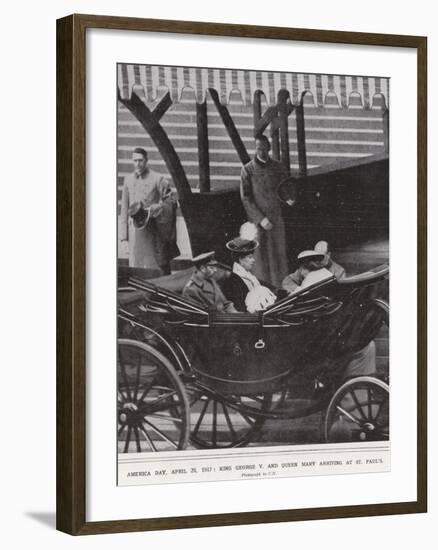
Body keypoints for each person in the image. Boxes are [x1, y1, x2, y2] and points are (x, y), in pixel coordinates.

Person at [119, 147, 179, 274]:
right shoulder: (128, 180)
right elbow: (124, 209)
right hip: (134, 232)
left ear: (146, 160)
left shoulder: (158, 179)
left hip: (152, 230)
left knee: (153, 266)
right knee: (136, 266)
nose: (137, 164)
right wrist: (123, 238)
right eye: (134, 161)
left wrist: (158, 208)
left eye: (140, 160)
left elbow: (171, 201)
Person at [240, 134, 288, 287]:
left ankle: (280, 288)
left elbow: (286, 189)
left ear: (269, 148)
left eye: (264, 148)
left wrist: (289, 199)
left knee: (278, 255)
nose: (261, 152)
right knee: (261, 258)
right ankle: (263, 289)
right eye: (258, 148)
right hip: (259, 223)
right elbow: (246, 198)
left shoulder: (279, 168)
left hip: (276, 219)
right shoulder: (247, 170)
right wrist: (260, 219)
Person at [222, 237, 276, 312]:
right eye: (250, 257)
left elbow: (272, 288)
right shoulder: (232, 280)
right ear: (240, 259)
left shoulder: (250, 277)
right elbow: (239, 307)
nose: (253, 260)